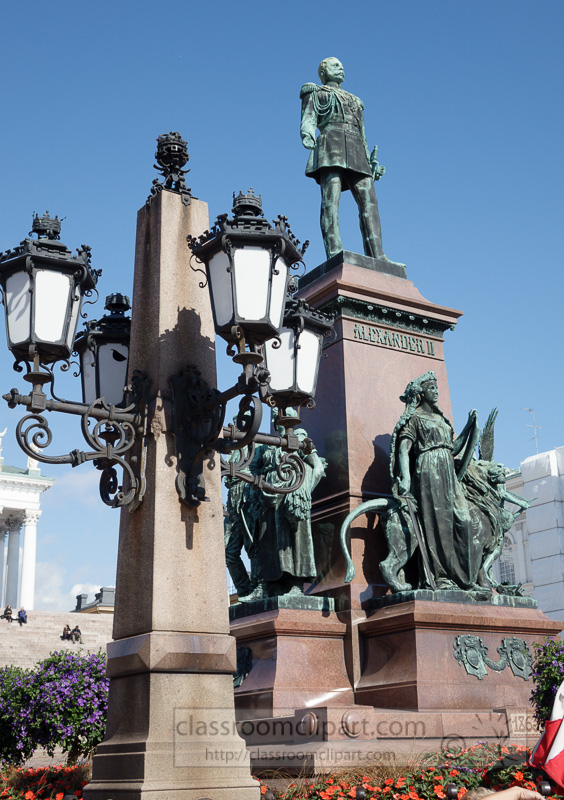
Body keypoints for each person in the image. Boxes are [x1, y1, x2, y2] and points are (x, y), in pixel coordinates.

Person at [391, 371, 482, 592]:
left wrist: (469, 426)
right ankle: (441, 577)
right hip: (429, 468)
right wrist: (405, 477)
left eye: (437, 388)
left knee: (465, 519)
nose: (436, 391)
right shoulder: (414, 419)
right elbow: (404, 450)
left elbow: (455, 448)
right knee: (437, 524)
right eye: (432, 388)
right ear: (421, 393)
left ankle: (465, 578)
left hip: (448, 471)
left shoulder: (441, 420)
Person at [300, 57, 394, 262]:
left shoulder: (356, 100)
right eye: (335, 66)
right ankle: (334, 251)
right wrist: (307, 133)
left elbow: (363, 133)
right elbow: (308, 119)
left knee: (370, 201)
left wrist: (371, 162)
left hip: (356, 148)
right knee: (330, 199)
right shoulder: (315, 92)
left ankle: (377, 254)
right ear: (323, 72)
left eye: (342, 66)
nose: (341, 68)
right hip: (330, 143)